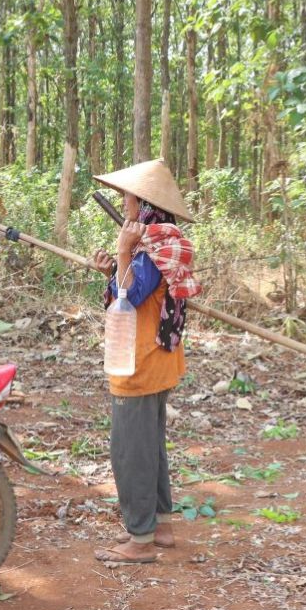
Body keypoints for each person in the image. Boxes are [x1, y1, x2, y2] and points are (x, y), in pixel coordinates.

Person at [87, 159, 200, 565]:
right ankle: (162, 526)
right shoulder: (159, 239)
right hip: (159, 359)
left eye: (128, 194)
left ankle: (140, 539)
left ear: (144, 200)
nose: (124, 200)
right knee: (151, 445)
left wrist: (122, 251)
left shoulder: (150, 245)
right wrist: (113, 266)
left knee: (130, 450)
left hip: (139, 361)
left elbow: (129, 298)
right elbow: (130, 288)